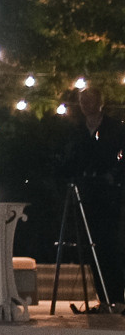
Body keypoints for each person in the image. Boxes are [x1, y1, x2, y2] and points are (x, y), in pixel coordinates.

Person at [63, 86, 125, 309]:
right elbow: (70, 158)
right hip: (86, 191)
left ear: (100, 102)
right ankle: (103, 298)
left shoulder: (115, 128)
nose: (86, 105)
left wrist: (112, 175)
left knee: (110, 244)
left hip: (108, 192)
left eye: (90, 100)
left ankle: (117, 297)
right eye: (83, 101)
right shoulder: (78, 130)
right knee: (92, 245)